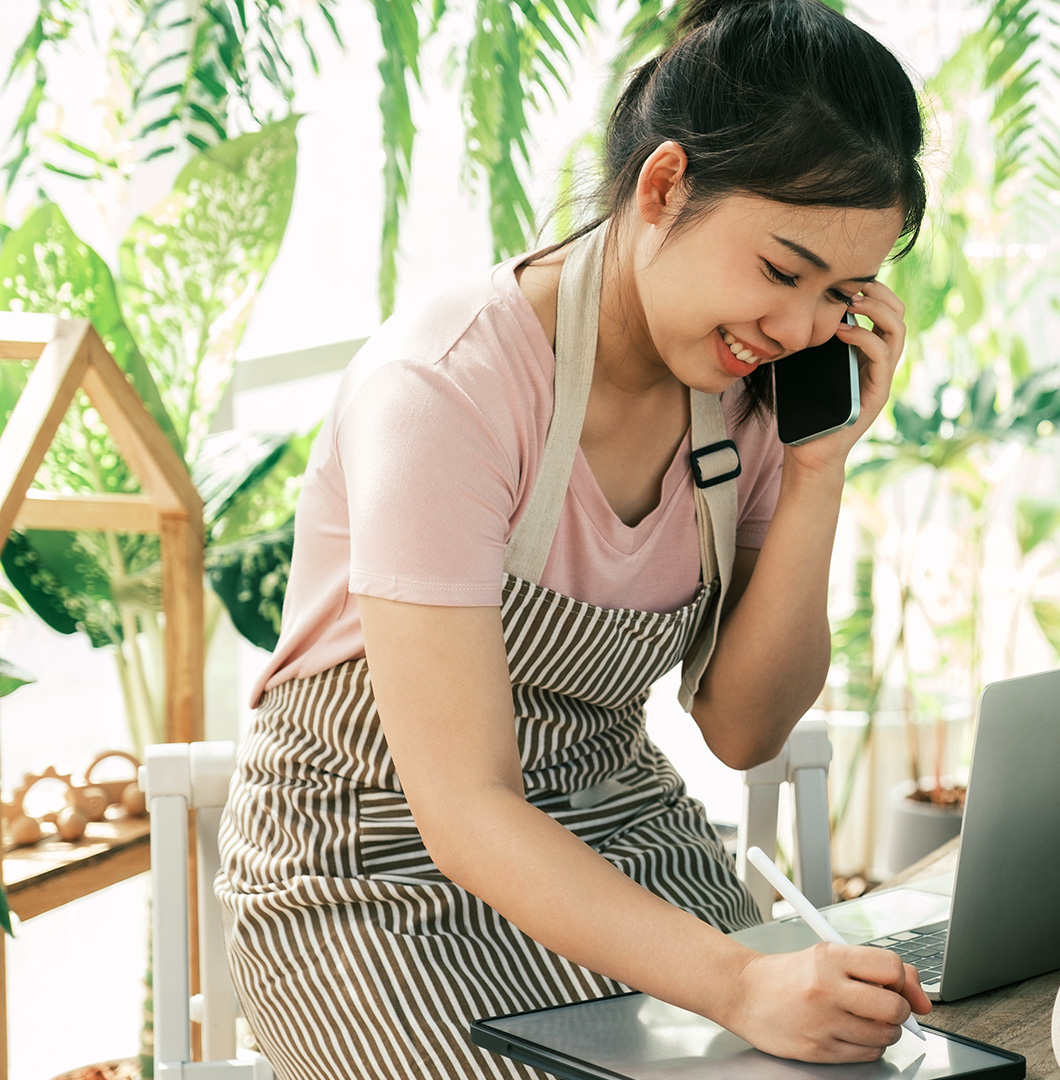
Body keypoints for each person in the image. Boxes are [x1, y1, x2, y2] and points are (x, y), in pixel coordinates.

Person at [214, 1, 931, 1074]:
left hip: (622, 829)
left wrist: (820, 465)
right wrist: (739, 984)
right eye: (781, 272)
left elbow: (742, 730)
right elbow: (463, 808)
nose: (796, 328)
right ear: (662, 187)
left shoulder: (756, 392)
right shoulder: (447, 386)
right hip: (370, 874)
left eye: (838, 295)